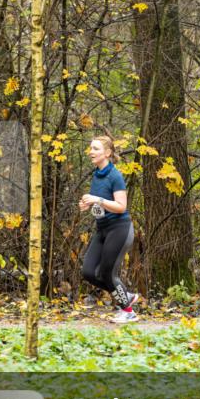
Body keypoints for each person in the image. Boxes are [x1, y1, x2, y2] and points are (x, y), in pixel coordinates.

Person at [79, 135, 139, 323]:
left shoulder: (115, 175)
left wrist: (97, 200)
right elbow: (102, 206)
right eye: (90, 148)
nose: (91, 152)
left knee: (107, 273)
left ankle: (128, 311)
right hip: (102, 229)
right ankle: (125, 296)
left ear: (107, 153)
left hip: (119, 229)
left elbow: (121, 206)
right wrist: (88, 205)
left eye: (96, 149)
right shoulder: (97, 175)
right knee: (88, 272)